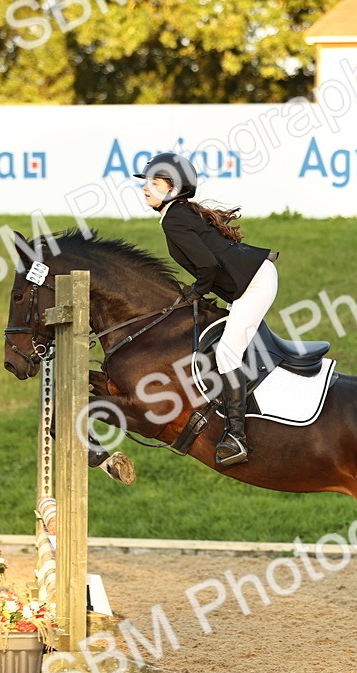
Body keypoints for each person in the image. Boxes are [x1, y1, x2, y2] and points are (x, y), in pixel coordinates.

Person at [134, 152, 278, 467]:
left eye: (153, 183)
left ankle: (237, 437)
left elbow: (207, 265)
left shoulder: (174, 217)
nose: (145, 189)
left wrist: (193, 292)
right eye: (146, 183)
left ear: (173, 189)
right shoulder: (177, 213)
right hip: (251, 280)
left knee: (227, 353)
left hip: (254, 283)